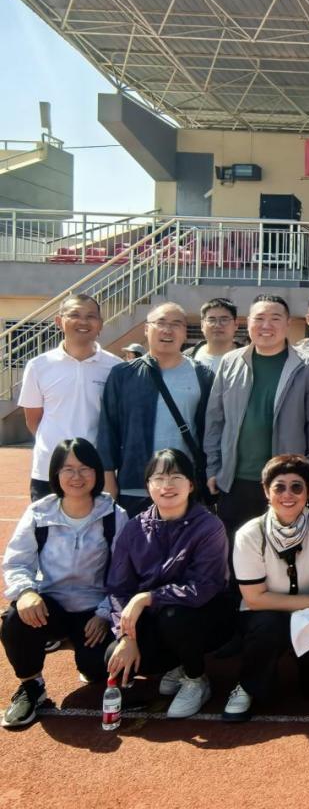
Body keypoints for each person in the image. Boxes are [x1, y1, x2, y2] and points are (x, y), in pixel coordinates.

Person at [1, 438, 126, 728]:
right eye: (68, 469)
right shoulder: (39, 512)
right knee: (14, 620)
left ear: (96, 472)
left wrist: (104, 613)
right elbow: (17, 562)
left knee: (97, 669)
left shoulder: (114, 515)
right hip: (50, 605)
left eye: (85, 468)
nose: (76, 476)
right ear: (55, 473)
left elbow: (123, 574)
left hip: (93, 611)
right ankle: (32, 687)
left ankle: (77, 645)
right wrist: (26, 592)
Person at [105, 449, 233, 719]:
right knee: (112, 657)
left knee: (175, 617)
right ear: (148, 486)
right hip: (156, 618)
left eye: (176, 477)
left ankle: (196, 678)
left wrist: (147, 597)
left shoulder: (209, 526)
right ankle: (178, 664)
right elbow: (119, 588)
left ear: (191, 484)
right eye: (159, 478)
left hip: (204, 615)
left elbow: (205, 585)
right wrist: (126, 636)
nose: (167, 485)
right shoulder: (134, 528)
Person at [224, 454, 309, 722]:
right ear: (266, 491)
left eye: (297, 487)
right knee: (268, 627)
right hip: (266, 613)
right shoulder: (249, 534)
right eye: (279, 487)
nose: (288, 494)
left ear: (308, 491)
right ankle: (248, 685)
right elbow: (254, 599)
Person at [203, 294, 309, 538]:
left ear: (288, 323)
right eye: (259, 318)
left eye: (275, 318)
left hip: (287, 481)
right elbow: (215, 420)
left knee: (285, 547)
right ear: (248, 322)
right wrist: (213, 468)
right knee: (236, 548)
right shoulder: (230, 362)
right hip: (235, 479)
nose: (266, 325)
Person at [98, 302, 215, 517]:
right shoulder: (123, 375)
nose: (167, 330)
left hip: (184, 486)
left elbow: (211, 431)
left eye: (176, 324)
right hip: (135, 486)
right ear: (146, 329)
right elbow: (108, 431)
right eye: (160, 323)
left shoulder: (203, 375)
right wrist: (108, 482)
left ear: (185, 332)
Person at [18, 294, 121, 501]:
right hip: (49, 469)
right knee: (47, 522)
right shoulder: (39, 366)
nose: (83, 321)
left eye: (91, 316)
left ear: (100, 324)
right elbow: (33, 420)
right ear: (59, 321)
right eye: (74, 315)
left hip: (96, 470)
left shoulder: (116, 367)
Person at [186, 298, 240, 373]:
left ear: (236, 324)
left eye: (224, 320)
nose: (217, 325)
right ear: (202, 325)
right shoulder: (187, 357)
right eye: (211, 320)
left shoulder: (248, 358)